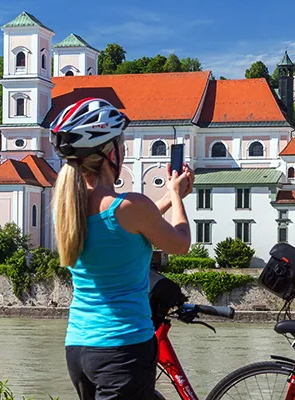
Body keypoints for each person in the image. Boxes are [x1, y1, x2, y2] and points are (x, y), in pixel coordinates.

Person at [50, 98, 194, 400]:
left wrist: (168, 198)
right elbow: (181, 243)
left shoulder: (69, 209)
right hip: (123, 349)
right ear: (109, 153)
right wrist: (177, 196)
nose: (125, 150)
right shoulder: (130, 205)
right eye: (121, 143)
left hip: (79, 348)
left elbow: (127, 226)